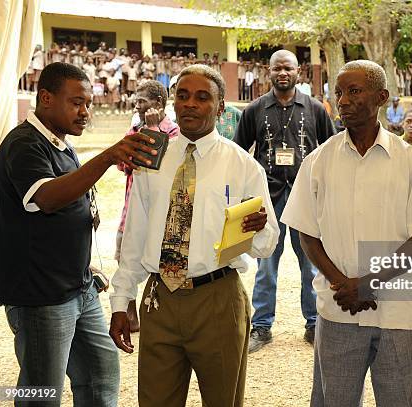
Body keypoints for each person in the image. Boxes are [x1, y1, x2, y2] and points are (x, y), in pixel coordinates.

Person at [281, 60, 412, 406]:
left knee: (402, 399)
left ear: (382, 97)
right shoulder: (319, 161)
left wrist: (367, 283)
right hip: (338, 308)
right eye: (338, 92)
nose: (343, 101)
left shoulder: (409, 161)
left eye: (354, 91)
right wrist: (342, 284)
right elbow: (307, 234)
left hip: (397, 312)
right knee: (336, 399)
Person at [108, 64, 278, 407]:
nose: (190, 104)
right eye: (182, 96)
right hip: (160, 300)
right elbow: (135, 236)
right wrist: (121, 299)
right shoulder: (151, 159)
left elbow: (266, 243)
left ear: (220, 107)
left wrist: (258, 227)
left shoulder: (243, 165)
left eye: (202, 97)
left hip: (217, 299)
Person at [0, 62, 157, 406]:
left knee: (102, 374)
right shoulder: (24, 144)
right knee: (41, 392)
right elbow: (48, 198)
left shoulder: (59, 143)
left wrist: (84, 267)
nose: (85, 112)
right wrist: (108, 157)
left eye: (88, 103)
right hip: (41, 296)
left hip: (77, 287)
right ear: (46, 99)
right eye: (76, 103)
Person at [234, 49, 335, 352]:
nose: (282, 73)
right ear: (269, 72)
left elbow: (331, 151)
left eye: (288, 69)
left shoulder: (315, 109)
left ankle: (314, 324)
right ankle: (262, 327)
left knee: (311, 264)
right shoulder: (255, 109)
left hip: (306, 197)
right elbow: (240, 152)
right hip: (269, 197)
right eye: (277, 68)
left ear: (298, 72)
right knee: (266, 265)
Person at [116, 80, 180, 332]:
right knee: (125, 256)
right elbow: (123, 162)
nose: (137, 105)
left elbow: (162, 164)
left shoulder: (174, 133)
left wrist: (153, 131)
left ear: (159, 104)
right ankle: (130, 311)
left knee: (162, 261)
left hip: (159, 214)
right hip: (130, 208)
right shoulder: (135, 128)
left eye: (142, 100)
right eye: (136, 100)